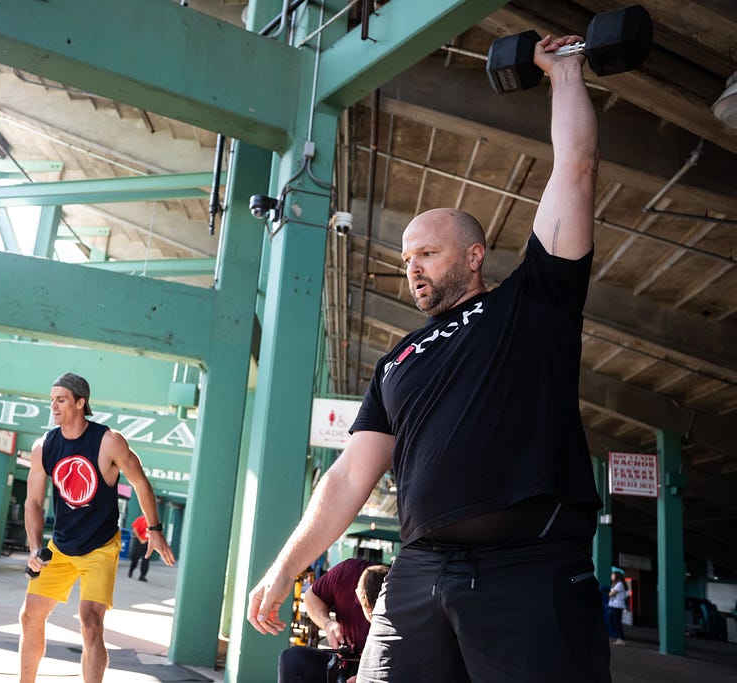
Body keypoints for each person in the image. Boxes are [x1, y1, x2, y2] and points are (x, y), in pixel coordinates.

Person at [249, 33, 610, 683]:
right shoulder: (397, 359)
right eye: (406, 258)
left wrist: (562, 72)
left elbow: (575, 168)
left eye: (429, 253)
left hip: (526, 567)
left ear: (474, 255)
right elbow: (346, 479)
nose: (411, 267)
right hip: (419, 573)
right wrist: (284, 567)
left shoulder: (533, 302)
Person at [19, 372, 175, 683]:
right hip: (60, 548)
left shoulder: (109, 442)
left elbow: (140, 483)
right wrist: (35, 546)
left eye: (61, 400)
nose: (54, 407)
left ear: (80, 402)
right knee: (29, 616)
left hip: (101, 548)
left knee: (90, 624)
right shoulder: (45, 446)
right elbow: (32, 503)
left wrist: (155, 529)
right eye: (51, 400)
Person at [279, 559, 387, 683]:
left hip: (382, 673)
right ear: (358, 594)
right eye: (371, 614)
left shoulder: (406, 599)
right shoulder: (348, 573)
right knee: (292, 658)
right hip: (343, 665)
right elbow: (311, 596)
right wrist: (327, 624)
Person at [607, 569, 628, 645]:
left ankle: (621, 639)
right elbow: (611, 593)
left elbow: (611, 594)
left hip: (617, 606)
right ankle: (620, 638)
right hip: (614, 605)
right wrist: (611, 593)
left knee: (616, 622)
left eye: (612, 575)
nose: (611, 576)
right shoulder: (616, 584)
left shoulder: (619, 584)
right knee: (612, 621)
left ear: (617, 576)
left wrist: (610, 593)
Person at [128, 514, 150, 581]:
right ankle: (131, 570)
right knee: (135, 558)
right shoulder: (140, 519)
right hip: (140, 542)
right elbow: (135, 530)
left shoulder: (154, 521)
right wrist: (140, 539)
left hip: (148, 543)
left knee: (146, 560)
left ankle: (142, 575)